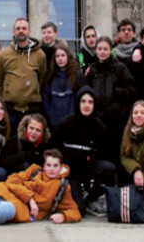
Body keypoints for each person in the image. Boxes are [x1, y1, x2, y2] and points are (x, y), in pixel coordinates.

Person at [51, 86, 115, 216]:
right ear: (78, 102)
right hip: (70, 173)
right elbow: (53, 148)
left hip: (87, 168)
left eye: (90, 102)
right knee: (79, 211)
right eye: (83, 101)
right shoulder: (65, 124)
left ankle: (92, 198)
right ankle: (74, 198)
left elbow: (105, 152)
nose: (86, 105)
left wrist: (90, 158)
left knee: (109, 168)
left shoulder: (100, 127)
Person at [84, 35, 136, 153]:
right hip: (97, 120)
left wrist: (116, 92)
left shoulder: (120, 68)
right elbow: (86, 93)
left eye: (105, 49)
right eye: (100, 49)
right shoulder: (91, 70)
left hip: (117, 120)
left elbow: (132, 91)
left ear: (111, 50)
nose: (102, 52)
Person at [0, 17, 46, 133]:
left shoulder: (40, 55)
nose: (21, 31)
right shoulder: (3, 55)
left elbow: (42, 78)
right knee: (11, 144)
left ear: (29, 31)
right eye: (18, 28)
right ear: (13, 32)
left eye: (24, 28)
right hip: (11, 110)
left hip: (32, 109)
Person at [43, 45, 84, 129]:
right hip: (54, 122)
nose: (60, 59)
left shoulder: (77, 76)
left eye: (63, 55)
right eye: (57, 56)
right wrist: (49, 114)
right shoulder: (50, 77)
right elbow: (46, 98)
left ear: (68, 56)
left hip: (72, 122)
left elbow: (80, 97)